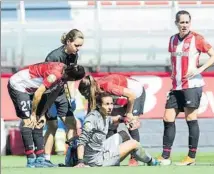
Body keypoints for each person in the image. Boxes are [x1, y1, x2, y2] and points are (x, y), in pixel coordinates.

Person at [157, 10, 214, 166]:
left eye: (186, 22)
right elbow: (174, 62)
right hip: (176, 87)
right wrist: (173, 78)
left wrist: (199, 70)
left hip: (192, 86)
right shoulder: (172, 39)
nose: (184, 25)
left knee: (191, 119)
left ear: (190, 23)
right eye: (181, 22)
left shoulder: (197, 39)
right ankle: (165, 156)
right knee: (167, 118)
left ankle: (191, 157)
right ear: (176, 23)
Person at [7, 62, 85, 167]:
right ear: (71, 77)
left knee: (39, 122)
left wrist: (42, 113)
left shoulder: (63, 74)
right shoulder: (54, 76)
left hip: (32, 89)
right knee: (28, 121)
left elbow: (51, 96)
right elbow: (38, 94)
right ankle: (30, 160)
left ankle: (40, 159)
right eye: (73, 80)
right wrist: (34, 113)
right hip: (19, 86)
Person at [73, 92, 159, 167]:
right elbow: (81, 141)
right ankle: (152, 161)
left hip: (101, 149)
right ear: (99, 105)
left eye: (111, 103)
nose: (110, 107)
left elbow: (112, 119)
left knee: (123, 134)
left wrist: (125, 119)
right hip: (96, 161)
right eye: (107, 104)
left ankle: (129, 156)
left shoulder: (103, 114)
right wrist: (80, 162)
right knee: (134, 143)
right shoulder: (91, 119)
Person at [78, 74, 145, 166]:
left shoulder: (108, 87)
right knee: (109, 122)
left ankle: (134, 158)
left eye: (86, 95)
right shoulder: (94, 90)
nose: (86, 98)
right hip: (121, 96)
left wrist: (129, 113)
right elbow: (91, 115)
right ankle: (111, 153)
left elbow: (131, 95)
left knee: (131, 124)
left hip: (135, 93)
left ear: (91, 90)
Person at [43, 29, 84, 164]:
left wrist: (72, 97)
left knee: (72, 123)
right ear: (68, 42)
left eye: (80, 46)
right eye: (76, 45)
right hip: (48, 94)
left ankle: (71, 158)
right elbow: (46, 81)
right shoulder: (53, 57)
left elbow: (71, 78)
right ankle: (46, 160)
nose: (78, 49)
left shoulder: (74, 56)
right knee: (52, 125)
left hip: (61, 93)